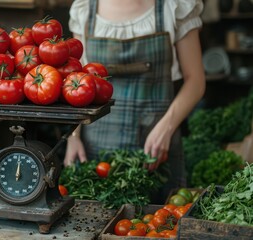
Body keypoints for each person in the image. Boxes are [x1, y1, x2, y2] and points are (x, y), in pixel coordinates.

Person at [63, 0, 206, 199]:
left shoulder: (174, 6)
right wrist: (73, 136)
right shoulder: (85, 8)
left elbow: (196, 82)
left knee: (159, 222)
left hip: (156, 149)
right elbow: (75, 81)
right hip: (95, 152)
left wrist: (166, 128)